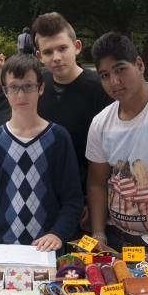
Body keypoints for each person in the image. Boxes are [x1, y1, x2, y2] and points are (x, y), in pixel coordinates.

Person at [86, 32, 148, 269]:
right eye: (105, 75)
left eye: (120, 69)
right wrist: (99, 234)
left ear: (139, 64)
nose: (114, 81)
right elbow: (97, 183)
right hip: (117, 241)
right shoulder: (101, 123)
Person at [0, 54, 83, 252]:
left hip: (47, 250)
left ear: (41, 88)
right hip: (3, 248)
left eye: (28, 86)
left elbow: (73, 199)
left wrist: (58, 233)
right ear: (5, 91)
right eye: (14, 87)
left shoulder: (58, 138)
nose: (21, 95)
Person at [33, 12, 112, 196]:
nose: (56, 57)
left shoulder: (100, 89)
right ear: (39, 56)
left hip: (88, 192)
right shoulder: (37, 85)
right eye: (48, 52)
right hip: (44, 192)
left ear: (77, 47)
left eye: (62, 48)